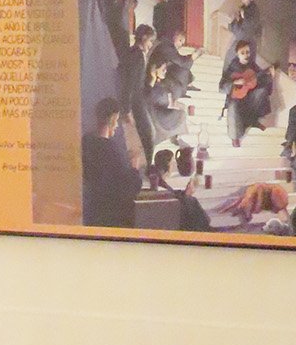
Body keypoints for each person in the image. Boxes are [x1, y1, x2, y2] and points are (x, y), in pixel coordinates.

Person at [81, 97, 142, 228]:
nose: (117, 125)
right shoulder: (112, 150)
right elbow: (129, 188)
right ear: (113, 119)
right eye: (117, 120)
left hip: (90, 213)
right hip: (110, 217)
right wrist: (134, 167)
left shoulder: (85, 142)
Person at [219, 39, 272, 146]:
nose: (246, 55)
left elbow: (264, 84)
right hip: (236, 100)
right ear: (237, 54)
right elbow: (221, 87)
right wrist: (235, 82)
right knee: (233, 108)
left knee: (262, 92)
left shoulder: (254, 67)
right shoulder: (231, 68)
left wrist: (270, 77)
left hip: (250, 100)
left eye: (248, 52)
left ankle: (253, 121)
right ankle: (235, 137)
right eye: (242, 53)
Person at [117, 25, 157, 164]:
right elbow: (129, 84)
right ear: (144, 38)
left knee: (147, 134)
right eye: (150, 41)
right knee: (148, 134)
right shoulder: (137, 55)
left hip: (136, 101)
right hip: (135, 103)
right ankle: (148, 166)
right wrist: (127, 109)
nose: (151, 45)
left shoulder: (134, 53)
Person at [150, 147, 212, 231]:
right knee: (191, 201)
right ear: (168, 164)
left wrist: (185, 192)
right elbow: (169, 200)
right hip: (171, 214)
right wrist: (187, 195)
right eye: (173, 162)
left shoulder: (158, 178)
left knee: (190, 200)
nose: (175, 164)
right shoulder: (157, 181)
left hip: (170, 207)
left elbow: (171, 194)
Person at [143, 58, 189, 146]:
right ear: (155, 70)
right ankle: (175, 137)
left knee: (181, 109)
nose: (165, 71)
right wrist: (153, 78)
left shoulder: (163, 82)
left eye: (165, 69)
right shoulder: (149, 83)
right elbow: (148, 98)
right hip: (155, 114)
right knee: (179, 114)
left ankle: (176, 137)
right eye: (163, 69)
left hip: (163, 108)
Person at [223, 0, 262, 67]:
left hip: (249, 40)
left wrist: (244, 16)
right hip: (240, 39)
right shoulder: (242, 9)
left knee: (248, 63)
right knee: (229, 57)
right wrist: (234, 21)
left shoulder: (254, 9)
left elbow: (253, 24)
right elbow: (236, 26)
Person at [152, 29, 196, 93]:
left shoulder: (169, 47)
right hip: (155, 76)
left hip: (161, 75)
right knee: (181, 68)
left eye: (182, 44)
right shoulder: (167, 47)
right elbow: (181, 62)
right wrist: (193, 56)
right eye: (180, 40)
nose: (180, 45)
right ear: (175, 37)